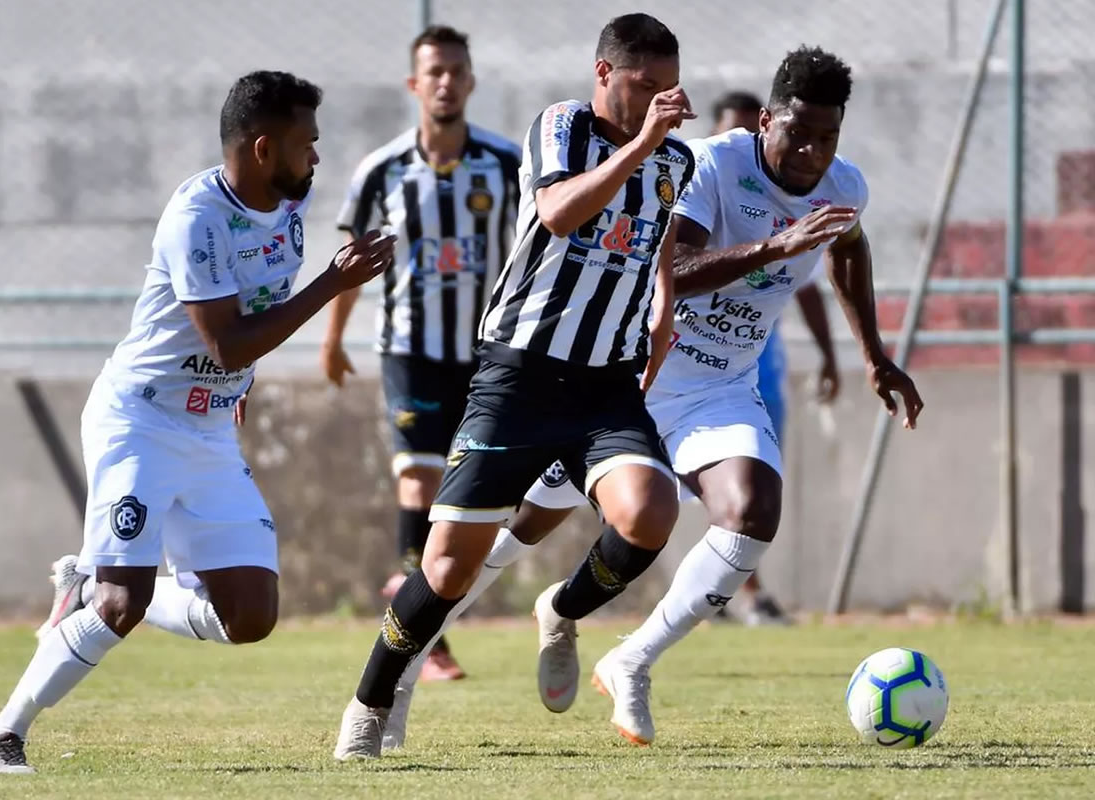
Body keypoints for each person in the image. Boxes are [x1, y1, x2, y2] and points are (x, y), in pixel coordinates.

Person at [381, 45, 925, 751]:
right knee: (509, 536)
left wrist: (875, 354)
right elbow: (671, 269)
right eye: (799, 134)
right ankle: (405, 670)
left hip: (718, 391)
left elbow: (848, 245)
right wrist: (775, 245)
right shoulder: (713, 165)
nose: (812, 154)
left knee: (754, 511)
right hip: (625, 381)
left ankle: (631, 658)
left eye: (828, 138)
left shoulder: (842, 183)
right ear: (766, 121)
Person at [0, 71, 395, 774]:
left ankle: (86, 580)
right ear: (262, 148)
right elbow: (225, 340)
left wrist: (238, 384)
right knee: (119, 602)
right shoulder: (195, 219)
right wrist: (333, 283)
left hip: (209, 427)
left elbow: (245, 324)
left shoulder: (289, 201)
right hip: (140, 419)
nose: (316, 158)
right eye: (304, 144)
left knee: (250, 616)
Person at [333, 12, 697, 761]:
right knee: (445, 568)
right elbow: (560, 213)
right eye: (644, 85)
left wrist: (661, 312)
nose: (663, 100)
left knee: (650, 514)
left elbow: (655, 241)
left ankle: (561, 612)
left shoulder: (674, 161)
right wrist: (643, 143)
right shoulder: (562, 127)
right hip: (519, 376)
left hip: (605, 385)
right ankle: (375, 700)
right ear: (604, 75)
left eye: (670, 87)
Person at [321, 25, 521, 681]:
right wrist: (331, 340)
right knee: (420, 478)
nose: (444, 81)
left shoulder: (509, 164)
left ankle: (411, 585)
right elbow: (353, 262)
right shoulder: (381, 170)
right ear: (415, 84)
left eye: (455, 70)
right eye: (433, 71)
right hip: (409, 350)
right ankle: (425, 638)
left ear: (470, 80)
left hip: (486, 355)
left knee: (481, 496)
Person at [706, 89, 840, 626]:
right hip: (674, 355)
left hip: (754, 359)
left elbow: (808, 280)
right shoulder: (703, 180)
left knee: (750, 486)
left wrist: (837, 354)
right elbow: (676, 266)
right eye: (734, 133)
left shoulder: (805, 194)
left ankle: (740, 591)